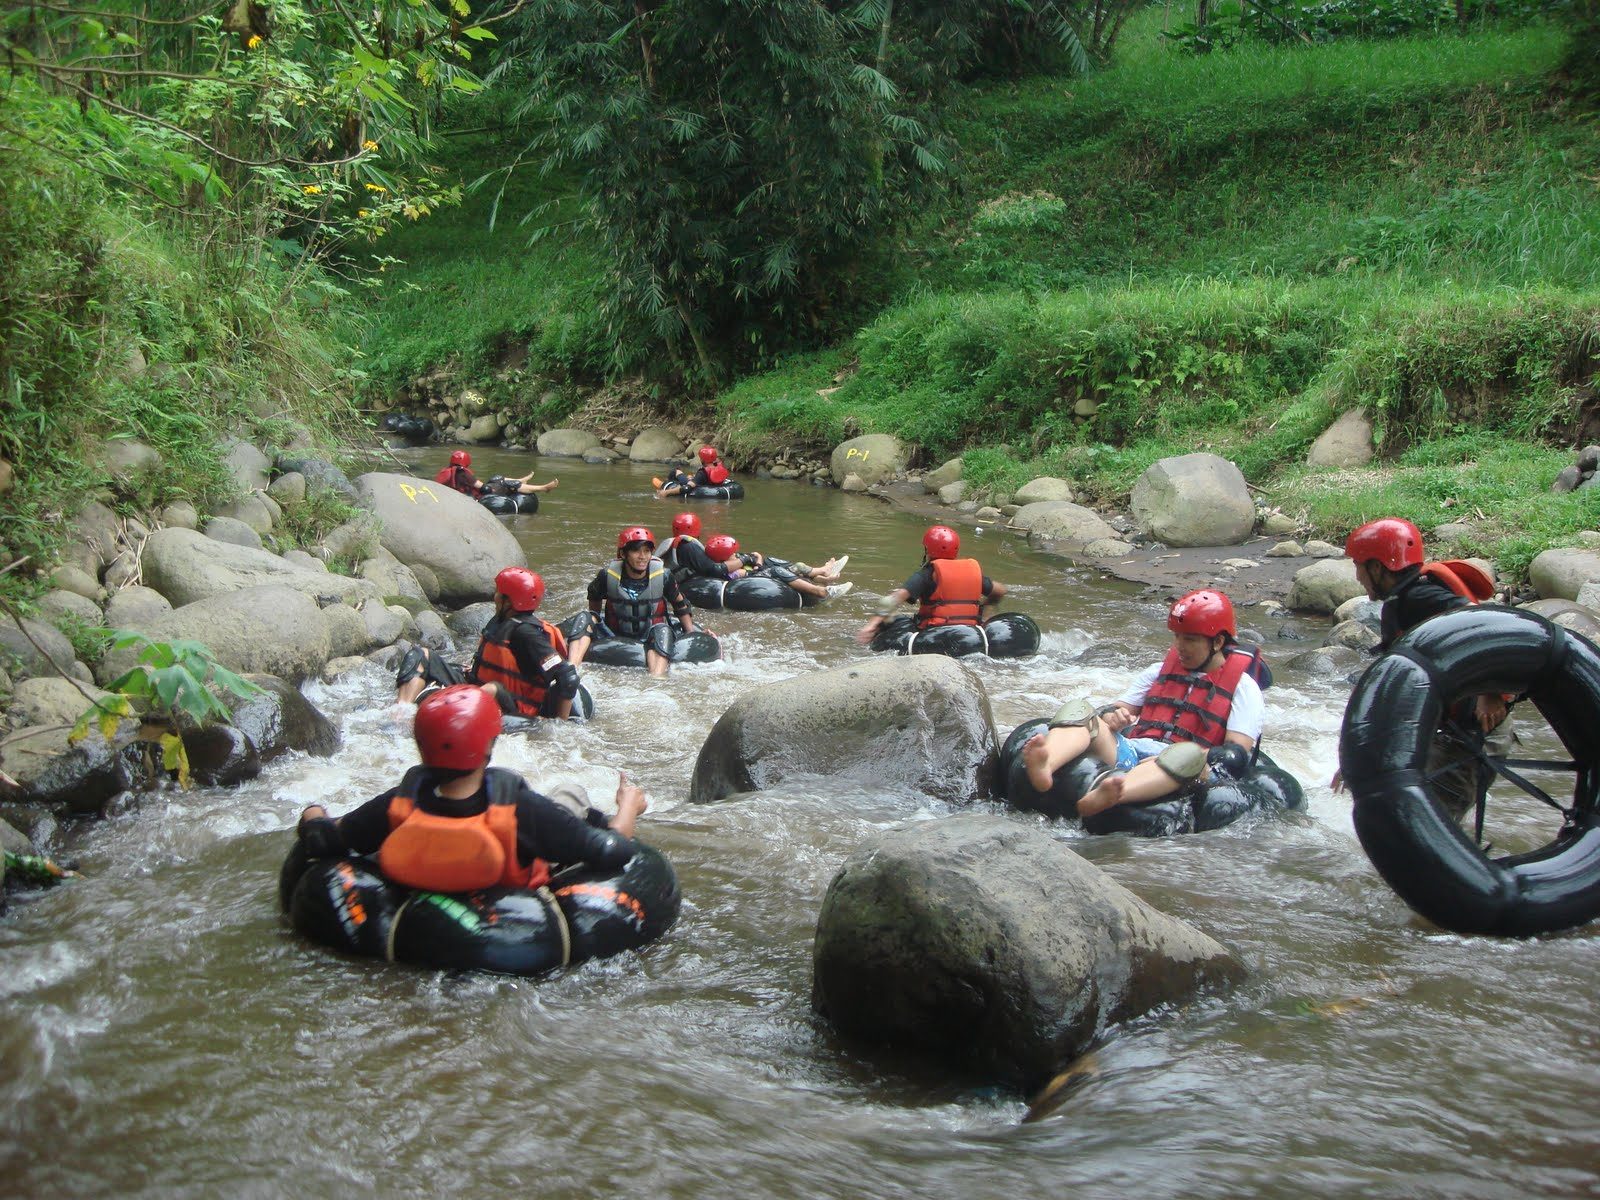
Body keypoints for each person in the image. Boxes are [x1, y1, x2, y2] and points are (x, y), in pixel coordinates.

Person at [295, 686, 646, 895]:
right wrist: (628, 807)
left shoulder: (399, 803)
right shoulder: (520, 809)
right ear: (489, 745)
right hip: (516, 891)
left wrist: (313, 811)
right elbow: (614, 850)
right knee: (569, 792)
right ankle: (592, 812)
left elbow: (324, 839)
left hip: (420, 908)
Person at [1020, 589, 1267, 819]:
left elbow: (1234, 754)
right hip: (1135, 751)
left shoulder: (1243, 688)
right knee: (1080, 711)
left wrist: (1188, 756)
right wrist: (1113, 718)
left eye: (1190, 639)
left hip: (1190, 768)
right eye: (1177, 637)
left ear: (1218, 642)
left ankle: (1115, 792)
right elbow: (1112, 711)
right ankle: (1046, 763)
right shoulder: (1157, 672)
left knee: (1184, 756)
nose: (1179, 647)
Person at [1334, 517, 1510, 822]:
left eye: (1359, 565)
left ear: (1378, 568)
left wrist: (1490, 692)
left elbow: (1484, 625)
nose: (1358, 575)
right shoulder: (1403, 602)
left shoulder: (1420, 597)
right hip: (1454, 735)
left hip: (1474, 736)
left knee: (1423, 828)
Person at [396, 566, 581, 719]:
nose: (495, 596)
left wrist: (559, 726)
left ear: (509, 601)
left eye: (499, 593)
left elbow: (568, 677)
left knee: (493, 688)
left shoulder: (528, 634)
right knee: (421, 655)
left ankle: (455, 714)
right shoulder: (501, 620)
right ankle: (400, 714)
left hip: (512, 704)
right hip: (478, 685)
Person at [567, 526, 698, 678]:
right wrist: (593, 623)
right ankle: (573, 668)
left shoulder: (664, 576)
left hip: (650, 634)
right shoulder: (606, 575)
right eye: (636, 551)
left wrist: (691, 633)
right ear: (623, 553)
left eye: (647, 551)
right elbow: (594, 604)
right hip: (613, 634)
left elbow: (680, 604)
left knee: (662, 629)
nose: (642, 556)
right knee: (585, 616)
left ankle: (656, 679)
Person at [855, 525, 1006, 646]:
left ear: (928, 550)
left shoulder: (927, 574)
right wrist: (986, 609)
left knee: (894, 622)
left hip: (934, 633)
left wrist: (871, 626)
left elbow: (892, 600)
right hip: (970, 633)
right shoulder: (972, 573)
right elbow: (1000, 590)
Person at [661, 512, 851, 600]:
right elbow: (715, 570)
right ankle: (821, 591)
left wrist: (751, 559)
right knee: (775, 569)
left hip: (724, 575)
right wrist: (746, 561)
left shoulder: (684, 545)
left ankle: (821, 574)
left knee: (770, 561)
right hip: (712, 582)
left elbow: (715, 563)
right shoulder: (687, 546)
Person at [435, 449, 558, 500]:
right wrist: (494, 487)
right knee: (508, 483)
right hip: (479, 499)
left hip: (467, 496)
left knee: (497, 478)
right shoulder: (463, 474)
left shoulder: (448, 471)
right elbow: (484, 488)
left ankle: (522, 480)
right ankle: (543, 488)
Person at [656, 446, 731, 498]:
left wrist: (666, 492)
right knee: (691, 477)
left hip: (699, 486)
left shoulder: (702, 473)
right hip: (709, 486)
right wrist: (695, 478)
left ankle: (664, 484)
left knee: (676, 471)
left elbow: (686, 488)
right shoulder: (721, 467)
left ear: (703, 460)